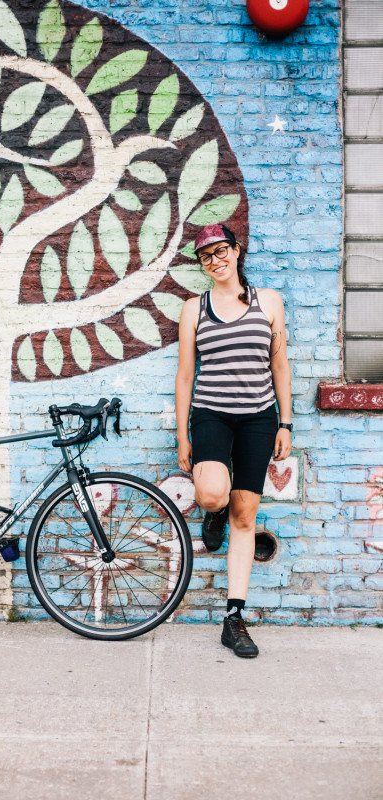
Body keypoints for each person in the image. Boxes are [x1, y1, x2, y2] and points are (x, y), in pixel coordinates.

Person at [175, 223, 292, 658]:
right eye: (206, 256)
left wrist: (286, 422)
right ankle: (215, 512)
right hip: (211, 415)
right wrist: (182, 434)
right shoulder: (194, 308)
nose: (215, 260)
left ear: (237, 250)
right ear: (202, 266)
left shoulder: (270, 302)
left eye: (221, 250)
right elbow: (186, 373)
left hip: (259, 419)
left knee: (246, 516)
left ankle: (233, 618)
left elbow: (280, 366)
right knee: (210, 494)